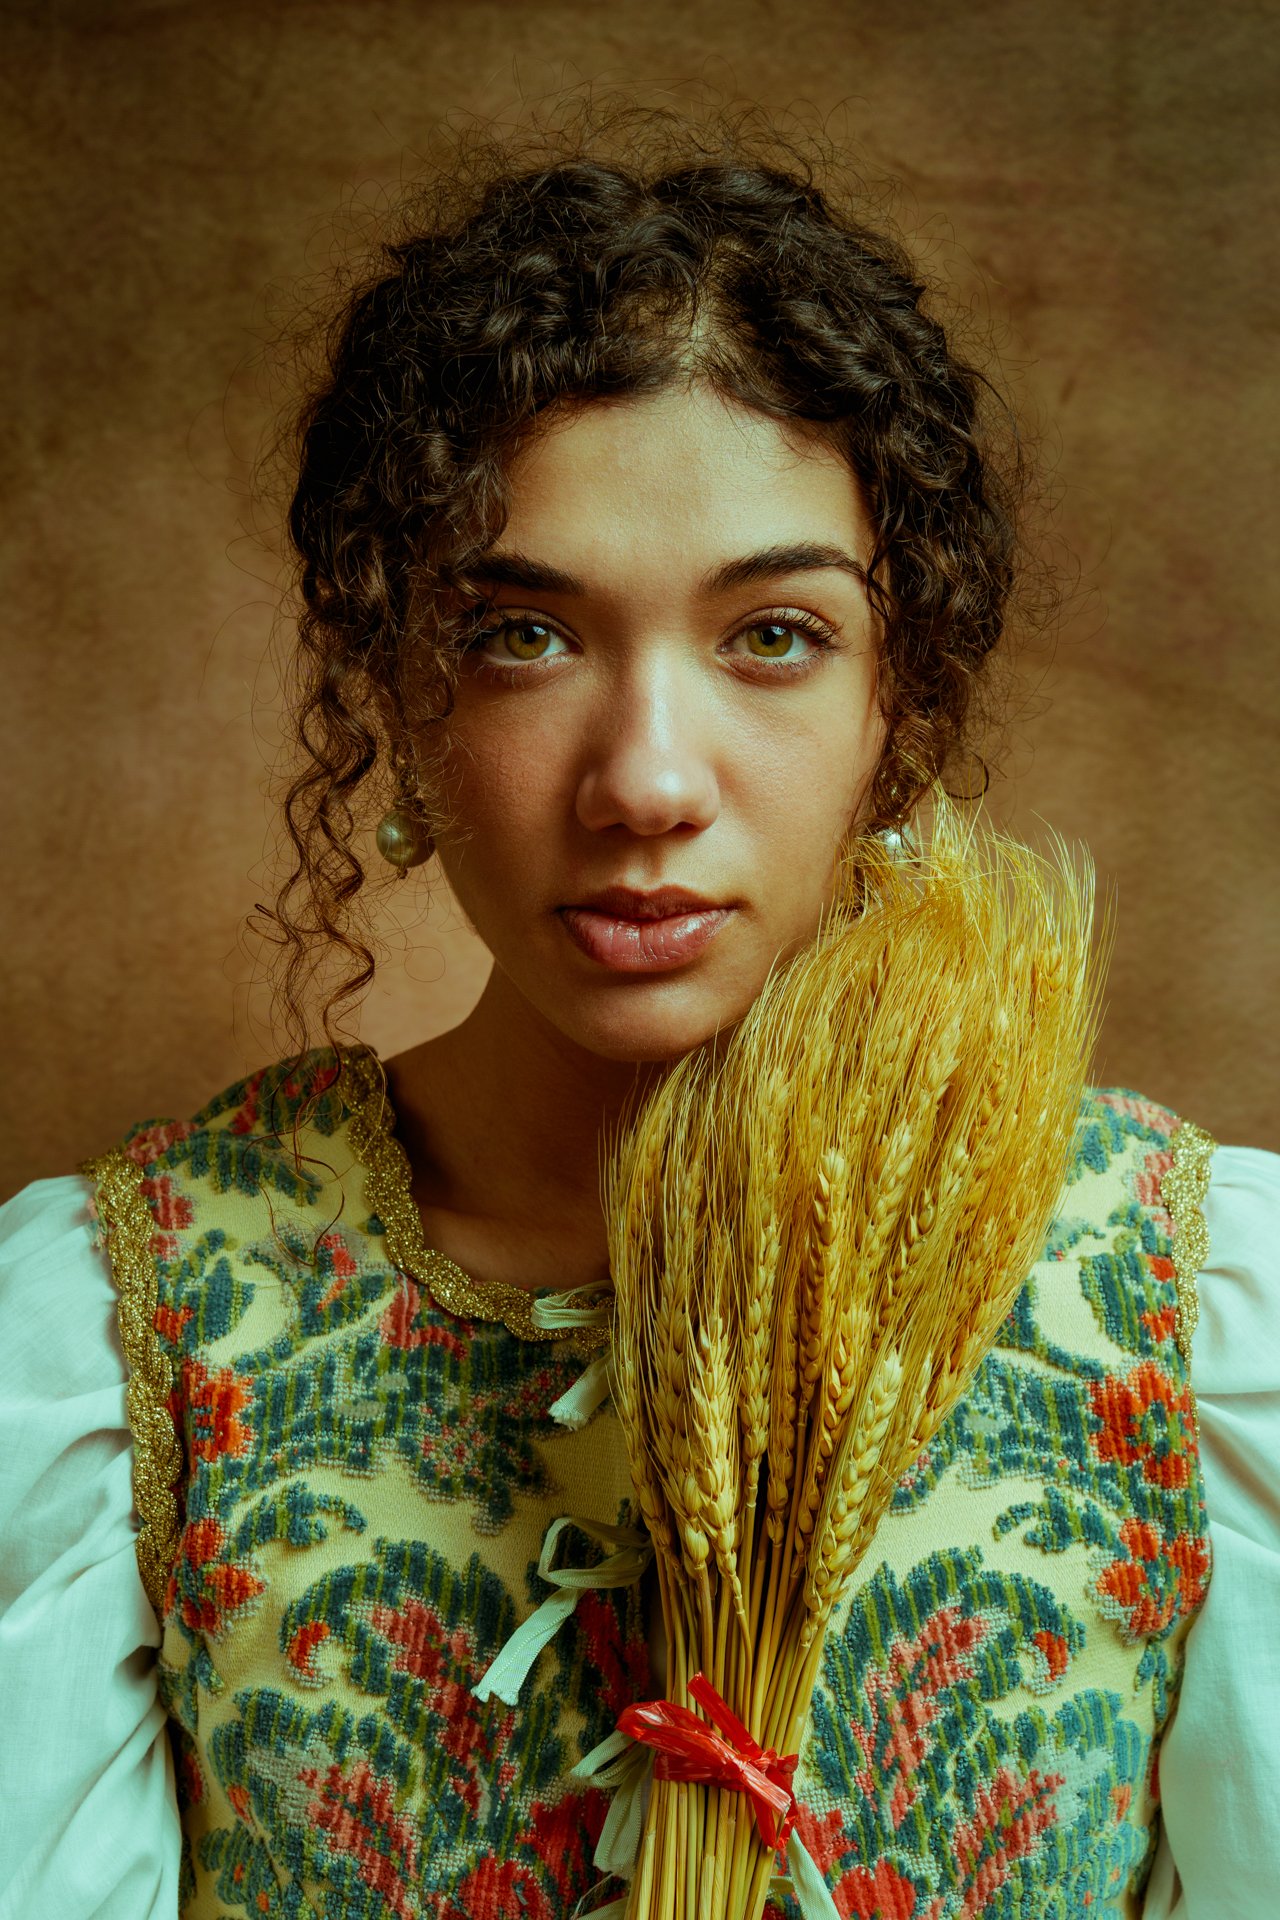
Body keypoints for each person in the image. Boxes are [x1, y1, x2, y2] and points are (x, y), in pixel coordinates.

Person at [1, 112, 1276, 1920]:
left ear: (895, 695)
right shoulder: (123, 1346)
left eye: (772, 637)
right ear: (394, 682)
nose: (646, 779)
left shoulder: (1182, 1320)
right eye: (524, 635)